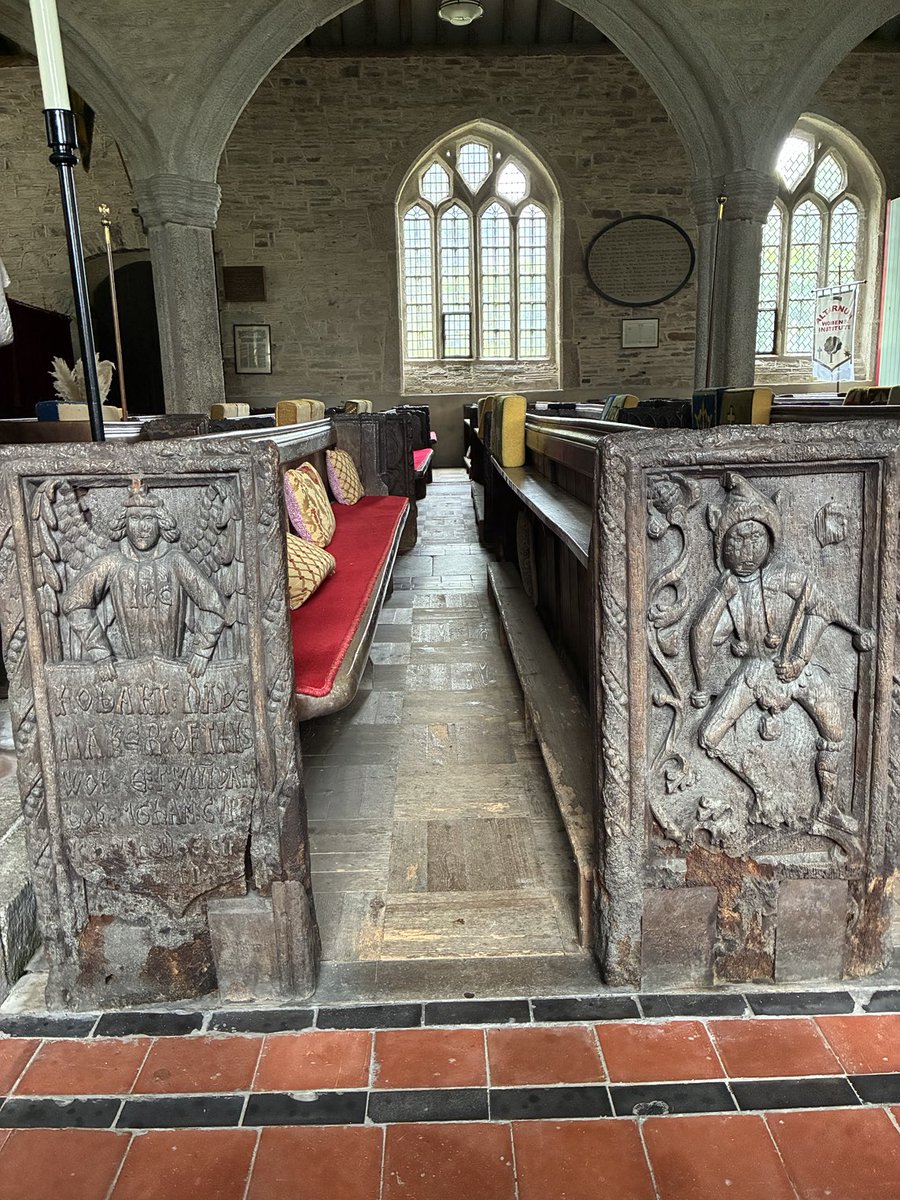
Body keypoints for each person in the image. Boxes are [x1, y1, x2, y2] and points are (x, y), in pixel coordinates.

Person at [689, 473, 873, 834]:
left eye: (756, 537)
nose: (746, 551)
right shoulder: (730, 596)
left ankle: (827, 809)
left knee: (834, 730)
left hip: (797, 669)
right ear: (721, 546)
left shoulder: (788, 578)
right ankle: (760, 786)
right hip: (756, 673)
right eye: (736, 540)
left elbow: (823, 609)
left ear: (770, 541)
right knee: (709, 735)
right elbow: (701, 634)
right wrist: (718, 599)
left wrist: (809, 654)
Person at [61, 479, 232, 678]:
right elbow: (74, 604)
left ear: (160, 523)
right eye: (135, 519)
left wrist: (201, 652)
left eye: (149, 519)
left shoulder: (176, 561)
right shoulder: (112, 563)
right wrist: (100, 653)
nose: (142, 528)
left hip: (174, 671)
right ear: (124, 523)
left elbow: (215, 606)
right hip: (127, 675)